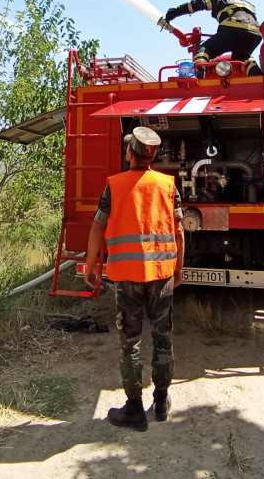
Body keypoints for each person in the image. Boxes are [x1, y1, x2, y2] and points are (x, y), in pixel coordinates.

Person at [85, 126, 185, 432]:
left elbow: (97, 227)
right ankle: (161, 403)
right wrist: (179, 267)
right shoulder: (167, 184)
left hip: (127, 276)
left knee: (130, 343)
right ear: (153, 155)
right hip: (162, 275)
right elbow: (179, 230)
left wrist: (91, 264)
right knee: (162, 338)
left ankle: (134, 409)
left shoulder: (114, 185)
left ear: (130, 154)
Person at [162, 0, 261, 76]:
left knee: (204, 49)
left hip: (233, 28)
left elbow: (195, 4)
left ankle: (200, 73)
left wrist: (174, 12)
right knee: (243, 58)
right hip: (255, 34)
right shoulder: (249, 4)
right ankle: (258, 77)